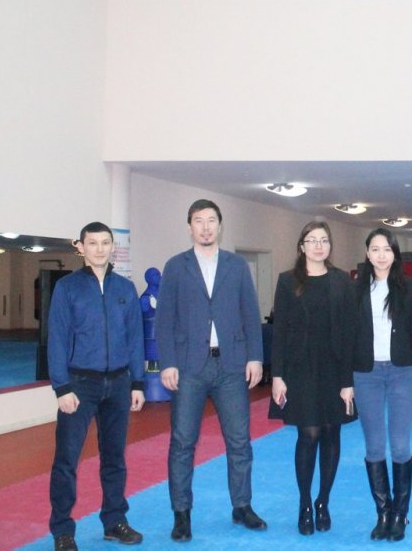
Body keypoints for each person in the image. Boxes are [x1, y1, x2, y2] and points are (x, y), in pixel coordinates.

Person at [156, 199, 266, 541]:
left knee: (239, 441)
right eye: (199, 221)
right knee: (182, 442)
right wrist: (167, 362)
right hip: (189, 367)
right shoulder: (176, 267)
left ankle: (242, 506)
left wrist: (255, 357)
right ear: (190, 226)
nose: (205, 227)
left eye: (211, 221)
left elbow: (250, 313)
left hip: (231, 365)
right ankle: (181, 513)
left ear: (220, 225)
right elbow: (164, 319)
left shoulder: (237, 266)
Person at [47, 222, 145, 551]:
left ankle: (114, 521)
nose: (100, 249)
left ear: (112, 246)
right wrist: (61, 387)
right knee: (67, 460)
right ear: (81, 247)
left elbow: (135, 338)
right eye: (93, 243)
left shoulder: (125, 288)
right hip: (79, 384)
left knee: (115, 458)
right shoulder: (67, 288)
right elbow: (57, 338)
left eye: (105, 243)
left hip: (118, 384)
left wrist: (137, 382)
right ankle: (63, 530)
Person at [269, 220, 358, 535]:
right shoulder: (287, 281)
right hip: (300, 369)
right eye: (312, 240)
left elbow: (349, 333)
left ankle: (323, 501)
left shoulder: (342, 281)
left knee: (332, 433)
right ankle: (305, 503)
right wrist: (277, 375)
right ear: (302, 246)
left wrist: (348, 382)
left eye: (324, 240)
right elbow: (279, 332)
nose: (319, 246)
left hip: (334, 368)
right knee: (308, 435)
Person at [353, 227, 412, 542]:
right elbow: (346, 336)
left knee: (400, 445)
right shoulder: (357, 288)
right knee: (373, 446)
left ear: (394, 253)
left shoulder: (408, 287)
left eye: (387, 249)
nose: (381, 255)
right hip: (366, 373)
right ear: (367, 253)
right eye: (375, 249)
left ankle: (400, 514)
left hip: (402, 371)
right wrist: (345, 381)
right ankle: (383, 513)